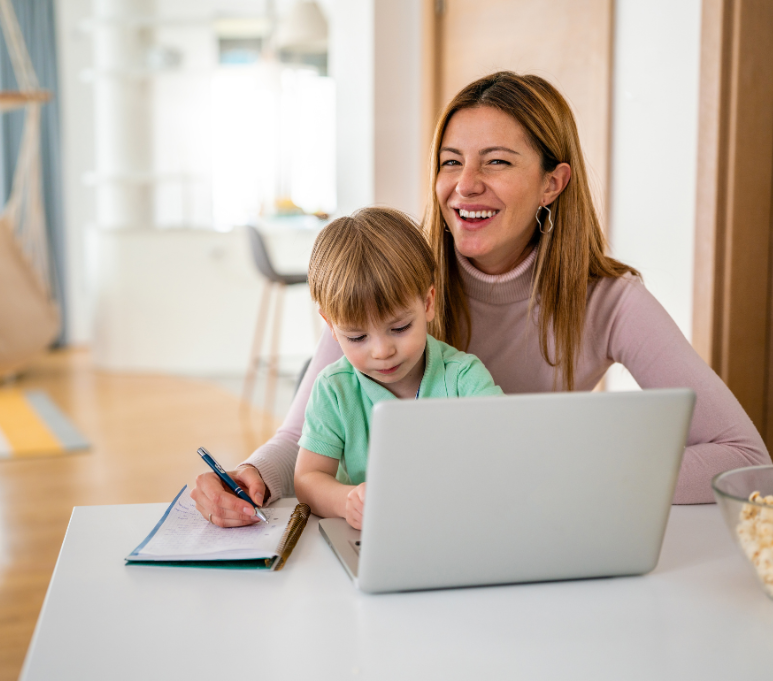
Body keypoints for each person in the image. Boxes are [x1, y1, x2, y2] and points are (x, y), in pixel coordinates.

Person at [191, 71, 770, 527]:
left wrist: (576, 476)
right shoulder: (394, 284)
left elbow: (745, 459)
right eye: (451, 162)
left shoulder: (612, 302)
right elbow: (301, 439)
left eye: (496, 161)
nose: (464, 185)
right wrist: (250, 477)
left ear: (553, 182)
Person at [293, 208, 502, 529]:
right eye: (358, 336)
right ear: (331, 328)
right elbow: (308, 479)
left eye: (400, 327)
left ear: (428, 303)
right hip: (374, 536)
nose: (382, 351)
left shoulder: (463, 377)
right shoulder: (334, 389)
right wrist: (347, 501)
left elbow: (505, 452)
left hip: (458, 528)